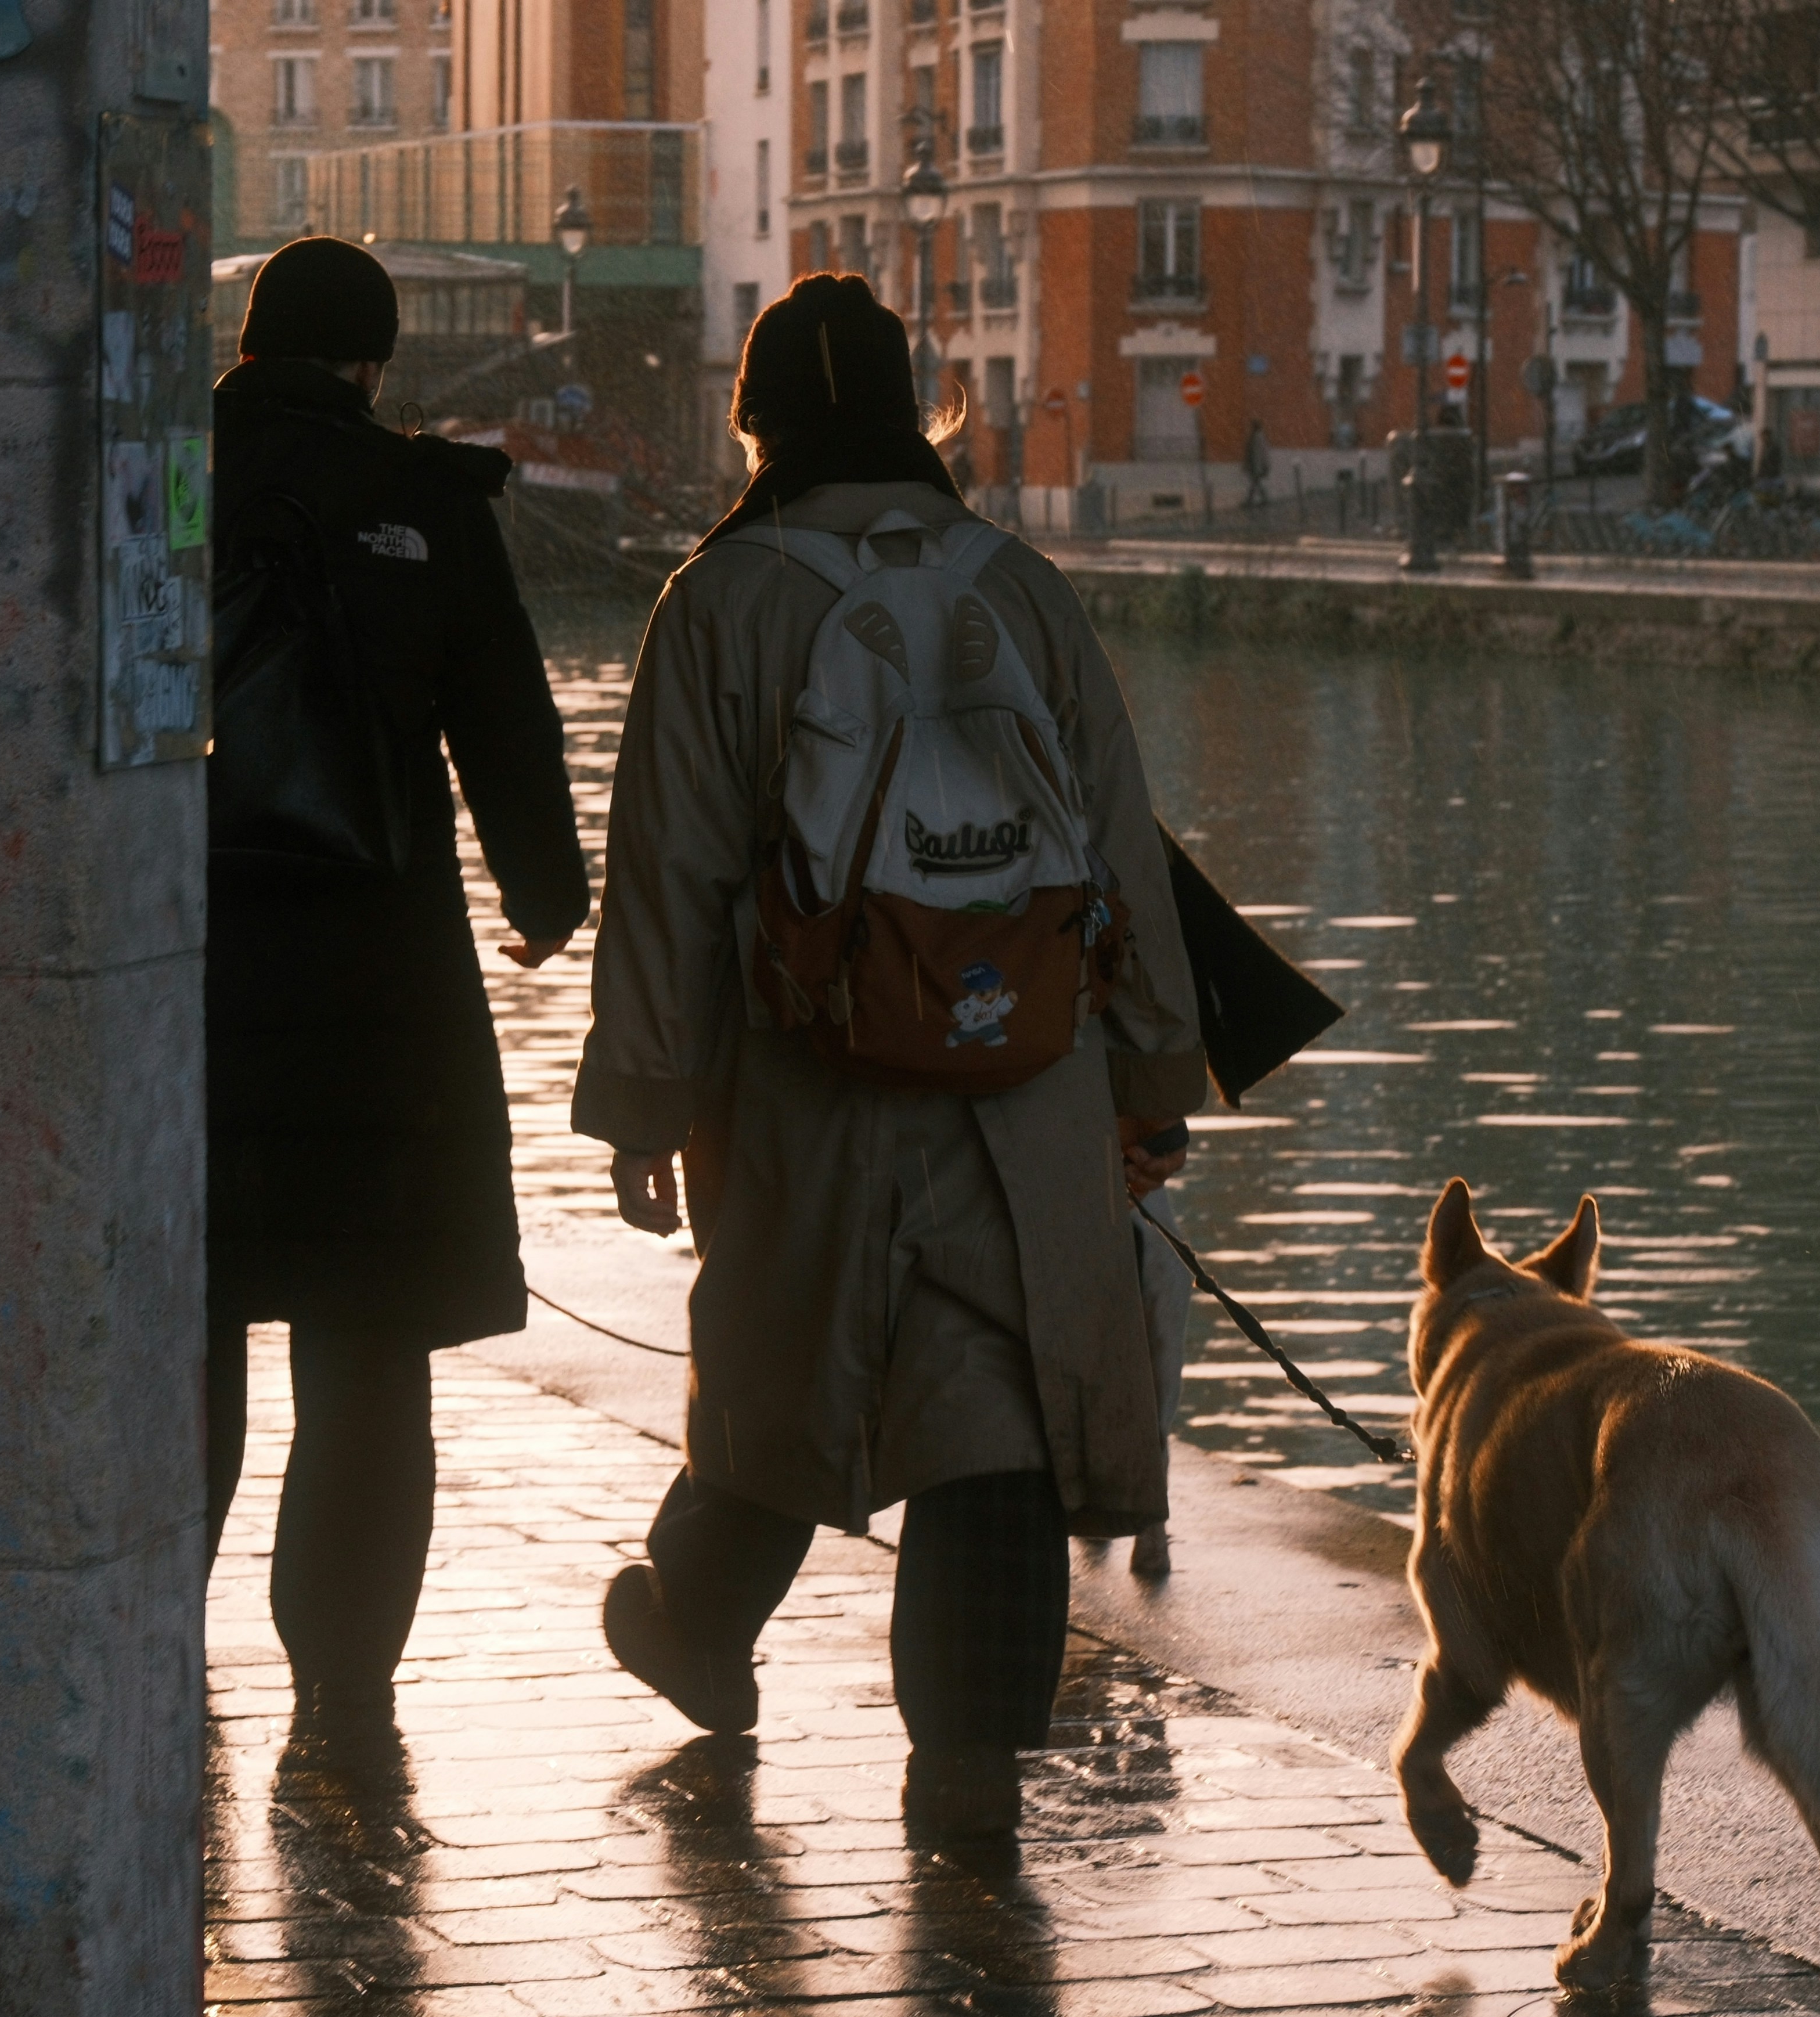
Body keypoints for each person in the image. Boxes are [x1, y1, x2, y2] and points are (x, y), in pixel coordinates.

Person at [574, 272, 1206, 1838]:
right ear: (913, 413)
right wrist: (1149, 1080)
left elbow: (667, 875)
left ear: (760, 426)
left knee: (796, 1378)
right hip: (1029, 1084)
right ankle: (971, 1772)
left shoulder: (722, 603)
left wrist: (643, 1103)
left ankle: (698, 1628)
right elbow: (1124, 850)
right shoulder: (1023, 590)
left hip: (811, 1091)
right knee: (992, 1422)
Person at [202, 236, 589, 1746]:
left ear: (248, 347)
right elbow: (512, 726)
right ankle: (342, 1694)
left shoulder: (167, 482)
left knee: (193, 1326)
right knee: (366, 1356)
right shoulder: (429, 504)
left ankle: (161, 1643)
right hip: (383, 998)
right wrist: (549, 908)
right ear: (375, 364)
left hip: (193, 982)